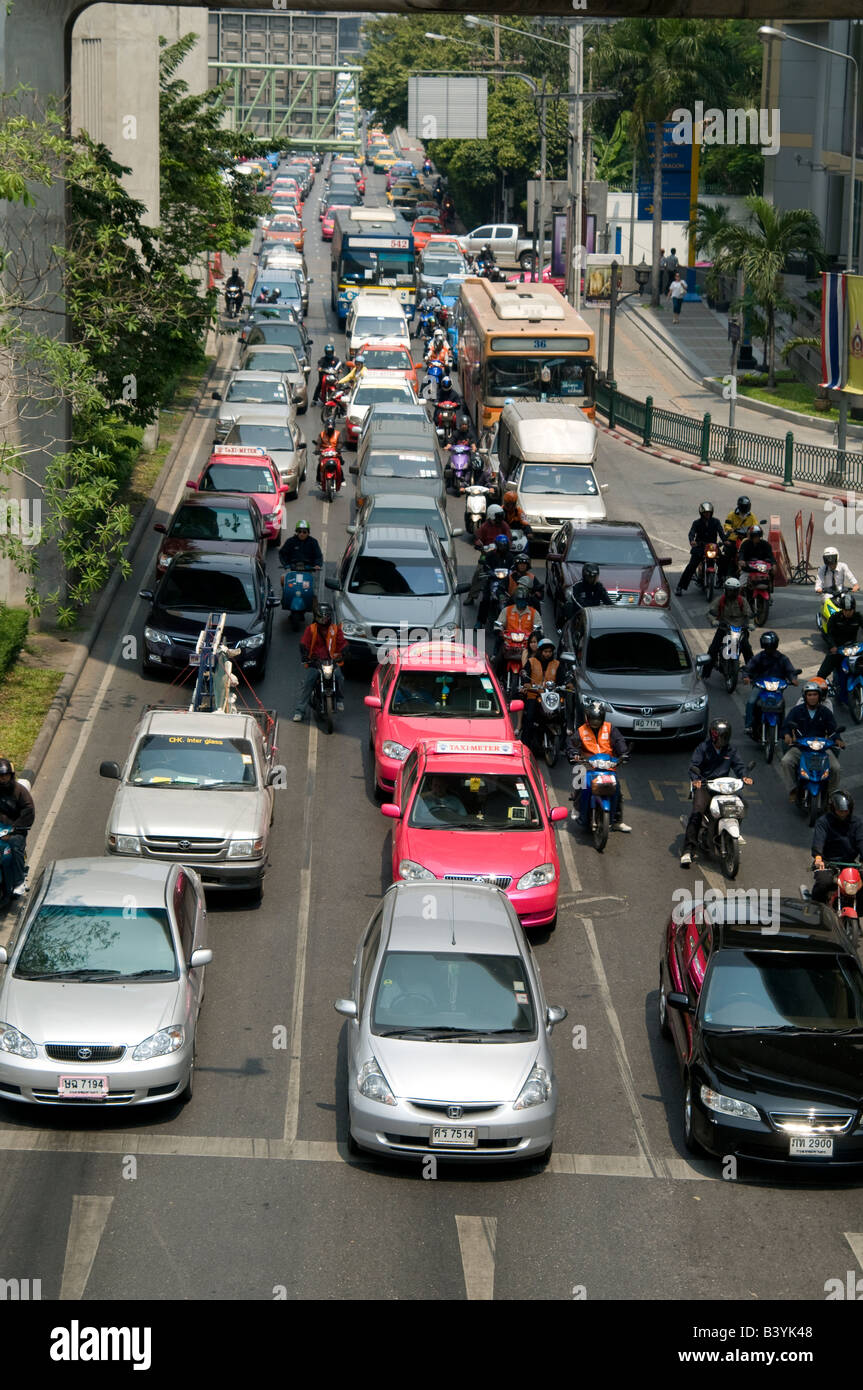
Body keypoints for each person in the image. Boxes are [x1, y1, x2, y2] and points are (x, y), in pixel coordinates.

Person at [681, 720, 753, 866]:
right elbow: (694, 766)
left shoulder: (730, 750)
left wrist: (744, 776)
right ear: (714, 736)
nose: (723, 740)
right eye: (721, 736)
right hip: (706, 786)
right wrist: (696, 780)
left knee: (741, 805)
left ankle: (734, 830)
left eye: (725, 736)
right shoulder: (703, 748)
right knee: (697, 812)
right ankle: (688, 850)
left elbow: (739, 765)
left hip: (724, 786)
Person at [566, 700, 631, 832]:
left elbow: (619, 741)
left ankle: (617, 820)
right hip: (588, 764)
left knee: (617, 789)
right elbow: (572, 744)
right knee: (580, 784)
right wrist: (573, 754)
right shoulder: (581, 731)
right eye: (593, 720)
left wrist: (623, 753)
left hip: (608, 765)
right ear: (587, 718)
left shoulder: (610, 728)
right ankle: (578, 808)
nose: (595, 723)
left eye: (598, 720)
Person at [780, 680, 843, 802]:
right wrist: (787, 735)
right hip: (801, 747)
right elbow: (786, 726)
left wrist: (838, 739)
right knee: (786, 761)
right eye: (809, 695)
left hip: (822, 748)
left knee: (836, 768)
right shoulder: (797, 711)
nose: (812, 697)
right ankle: (793, 789)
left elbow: (833, 729)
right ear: (805, 697)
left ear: (819, 696)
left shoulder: (825, 712)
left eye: (815, 695)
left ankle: (831, 796)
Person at [293, 604, 346, 721]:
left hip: (331, 661)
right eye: (321, 617)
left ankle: (339, 700)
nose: (324, 620)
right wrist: (305, 656)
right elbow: (304, 643)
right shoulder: (311, 629)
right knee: (308, 683)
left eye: (326, 617)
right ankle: (299, 711)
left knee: (339, 677)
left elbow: (342, 643)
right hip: (316, 662)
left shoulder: (335, 629)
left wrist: (345, 652)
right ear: (316, 617)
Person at [811, 790, 863, 903]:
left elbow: (861, 841)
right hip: (828, 863)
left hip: (849, 863)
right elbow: (818, 841)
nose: (843, 813)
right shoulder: (823, 822)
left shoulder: (857, 823)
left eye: (846, 811)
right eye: (840, 811)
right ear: (833, 808)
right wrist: (818, 857)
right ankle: (815, 907)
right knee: (823, 883)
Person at [742, 630, 799, 733]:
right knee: (751, 702)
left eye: (771, 647)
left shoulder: (783, 658)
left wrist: (793, 679)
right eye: (767, 647)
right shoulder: (759, 657)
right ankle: (748, 724)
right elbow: (749, 667)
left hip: (777, 687)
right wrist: (746, 676)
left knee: (781, 705)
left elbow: (790, 670)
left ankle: (782, 726)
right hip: (760, 686)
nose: (769, 650)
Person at [701, 577, 754, 679]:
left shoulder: (742, 601)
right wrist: (714, 620)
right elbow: (710, 612)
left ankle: (752, 674)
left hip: (740, 629)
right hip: (724, 629)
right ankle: (705, 674)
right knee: (713, 649)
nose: (732, 593)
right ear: (726, 590)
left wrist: (751, 624)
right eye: (730, 590)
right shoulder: (720, 600)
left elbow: (749, 614)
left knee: (747, 649)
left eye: (734, 590)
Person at [520, 636, 569, 748]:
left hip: (550, 696)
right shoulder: (531, 661)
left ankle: (562, 745)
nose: (548, 654)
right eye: (545, 651)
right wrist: (526, 683)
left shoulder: (556, 664)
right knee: (530, 717)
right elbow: (525, 675)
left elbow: (562, 679)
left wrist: (565, 685)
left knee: (562, 716)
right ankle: (525, 745)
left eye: (550, 652)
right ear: (540, 651)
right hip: (534, 695)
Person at [0, 758, 34, 896]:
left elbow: (28, 810)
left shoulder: (19, 791)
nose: (3, 779)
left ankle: (19, 881)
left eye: (5, 775)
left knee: (15, 847)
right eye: (0, 776)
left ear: (11, 775)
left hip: (16, 830)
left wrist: (16, 828)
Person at [676, 502, 725, 596]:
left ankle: (721, 581)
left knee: (722, 562)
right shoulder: (696, 523)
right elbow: (691, 533)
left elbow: (721, 532)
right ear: (701, 513)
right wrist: (692, 541)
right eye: (705, 512)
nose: (707, 514)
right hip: (700, 546)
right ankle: (680, 587)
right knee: (691, 566)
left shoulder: (716, 522)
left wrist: (725, 540)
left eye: (709, 512)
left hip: (712, 547)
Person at [466, 506, 512, 605]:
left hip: (502, 554)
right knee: (479, 572)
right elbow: (478, 538)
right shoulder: (485, 526)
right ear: (492, 516)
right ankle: (472, 596)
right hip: (487, 555)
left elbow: (509, 538)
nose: (500, 519)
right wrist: (478, 544)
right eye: (498, 516)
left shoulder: (504, 525)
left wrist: (507, 545)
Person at [493, 585, 540, 673]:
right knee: (497, 662)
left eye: (523, 600)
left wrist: (537, 633)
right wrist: (499, 630)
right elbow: (499, 623)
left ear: (527, 600)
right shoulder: (506, 610)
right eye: (519, 600)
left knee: (537, 663)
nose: (521, 602)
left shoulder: (534, 613)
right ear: (515, 600)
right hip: (509, 643)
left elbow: (539, 628)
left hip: (526, 645)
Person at [818, 591, 863, 681]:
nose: (847, 613)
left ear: (853, 609)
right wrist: (832, 646)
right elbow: (828, 634)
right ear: (842, 609)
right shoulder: (834, 618)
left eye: (849, 610)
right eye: (845, 610)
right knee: (821, 674)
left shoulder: (858, 618)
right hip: (838, 649)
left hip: (854, 649)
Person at [721, 495, 758, 577]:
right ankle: (722, 576)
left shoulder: (751, 516)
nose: (746, 508)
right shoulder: (732, 515)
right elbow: (727, 525)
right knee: (727, 556)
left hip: (746, 539)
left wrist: (755, 531)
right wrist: (731, 529)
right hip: (734, 539)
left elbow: (755, 525)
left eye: (747, 506)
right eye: (744, 506)